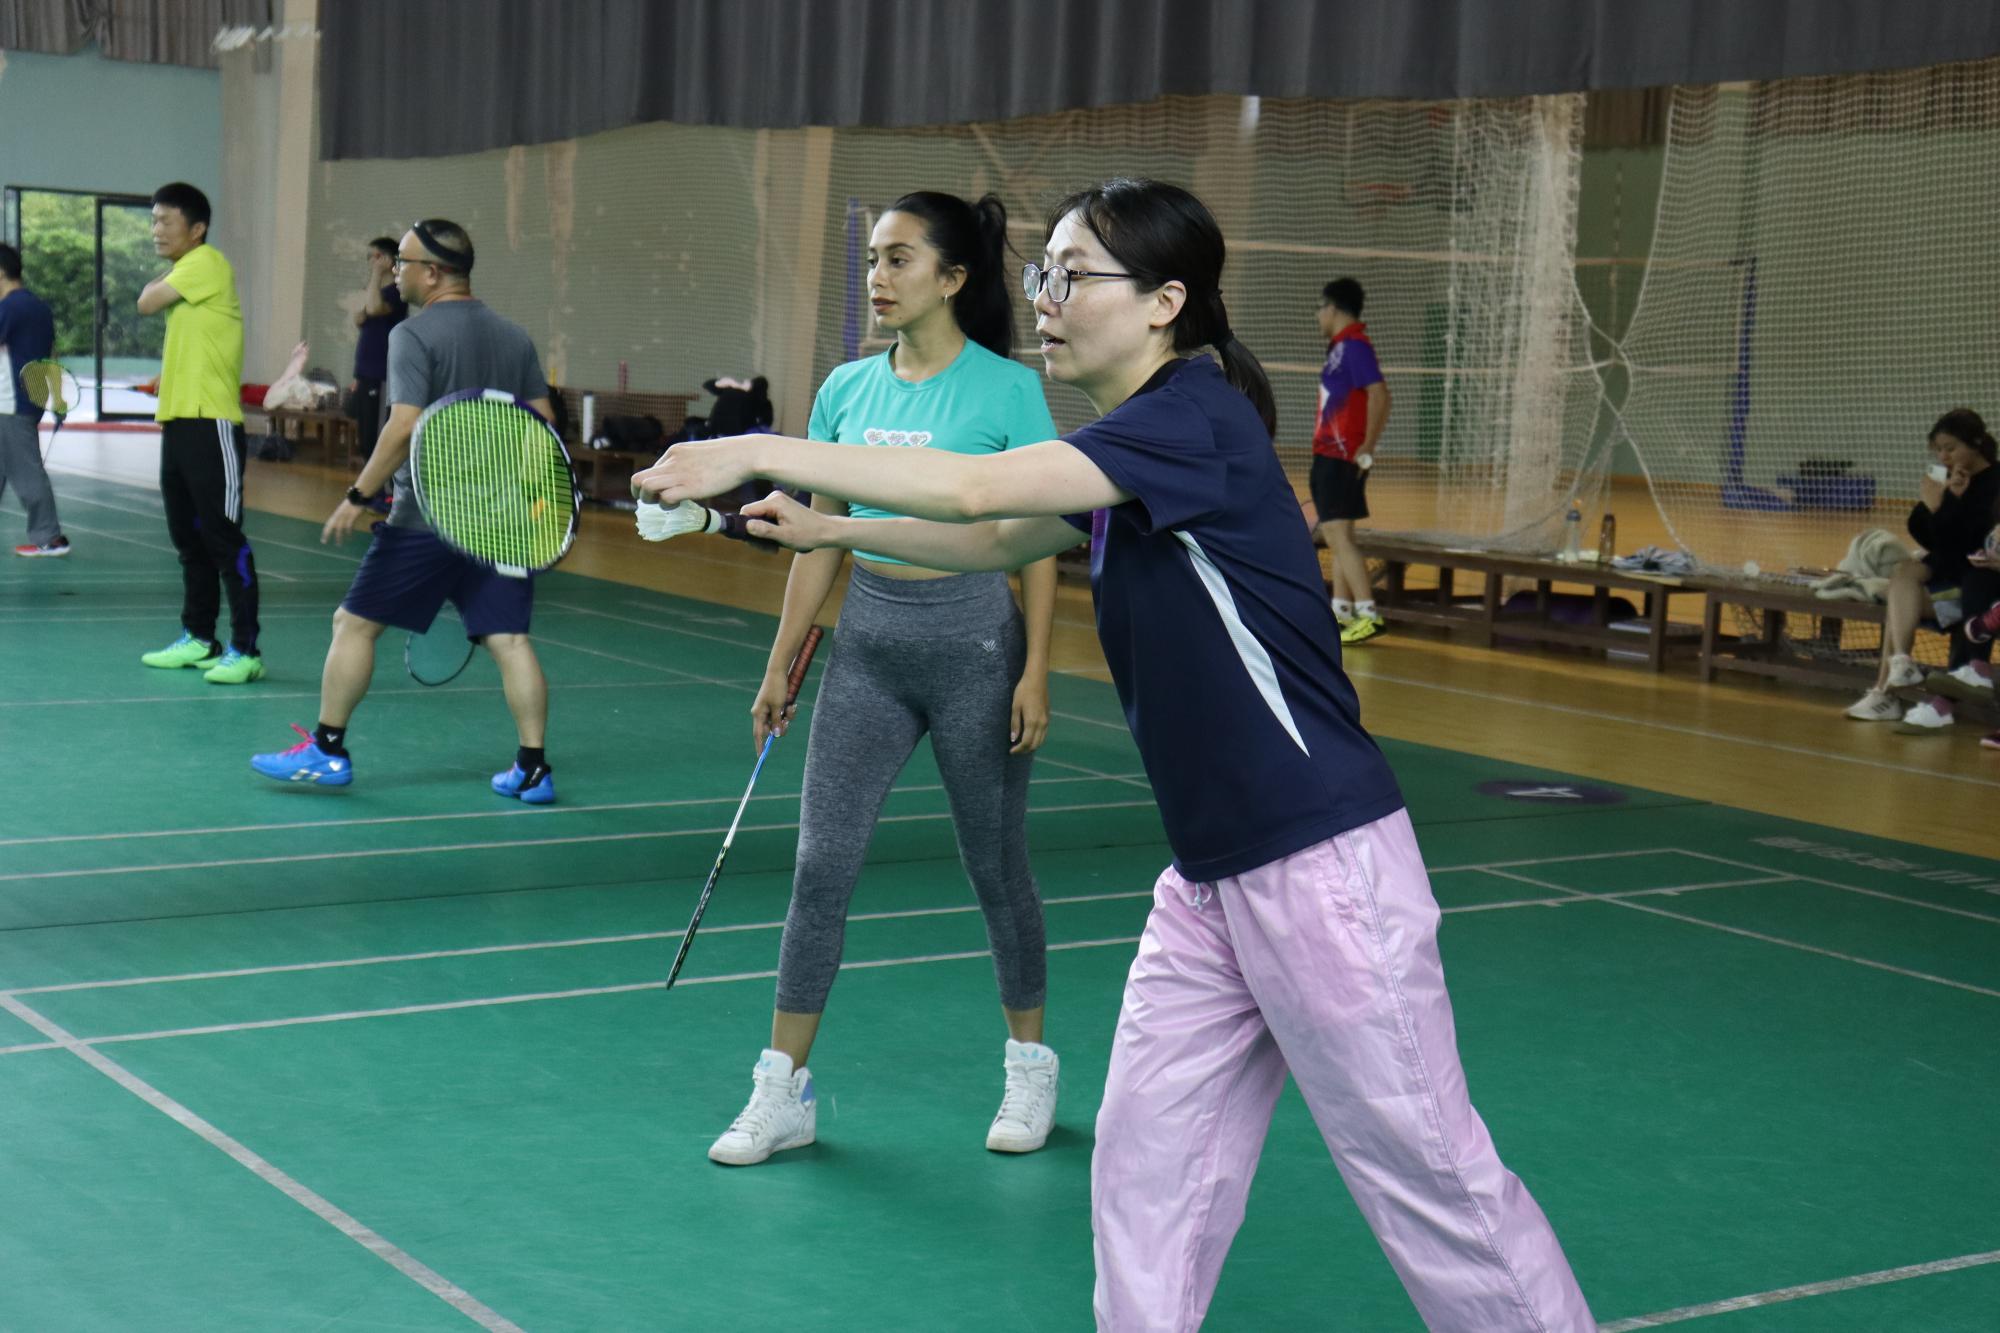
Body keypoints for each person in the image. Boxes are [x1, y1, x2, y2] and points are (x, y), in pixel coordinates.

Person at [636, 177, 1594, 1331]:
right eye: (1040, 272)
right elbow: (995, 537)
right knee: (1147, 1172)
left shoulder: (1191, 420)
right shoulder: (1133, 450)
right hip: (1206, 882)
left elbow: (976, 484)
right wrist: (828, 527)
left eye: (1072, 275)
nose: (1044, 298)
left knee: (1427, 1178)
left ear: (1162, 302)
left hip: (1318, 866)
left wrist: (751, 447)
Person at [698, 191, 1064, 1169]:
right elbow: (817, 536)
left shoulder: (1007, 392)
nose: (877, 277)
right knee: (820, 865)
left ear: (953, 277)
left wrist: (1035, 667)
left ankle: (1030, 1064)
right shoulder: (845, 389)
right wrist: (781, 663)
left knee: (995, 867)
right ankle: (783, 1089)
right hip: (868, 647)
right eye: (871, 258)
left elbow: (1036, 543)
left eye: (899, 258)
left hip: (975, 648)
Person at [249, 219, 560, 803]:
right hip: (500, 522)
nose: (396, 273)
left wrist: (357, 495)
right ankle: (533, 768)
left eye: (403, 263)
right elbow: (542, 425)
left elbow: (403, 424)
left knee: (354, 625)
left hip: (427, 518)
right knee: (510, 640)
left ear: (433, 273)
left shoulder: (412, 335)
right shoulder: (514, 336)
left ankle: (328, 750)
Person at [137, 182, 262, 683]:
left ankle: (246, 650)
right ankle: (198, 637)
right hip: (179, 421)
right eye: (153, 221)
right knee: (188, 539)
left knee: (223, 539)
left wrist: (166, 274)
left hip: (212, 423)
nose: (156, 230)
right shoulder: (188, 273)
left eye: (165, 221)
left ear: (197, 229)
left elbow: (146, 301)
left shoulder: (206, 263)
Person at [1845, 409, 2000, 726]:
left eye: (1950, 448)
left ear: (1975, 444)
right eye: (1938, 450)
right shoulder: (1952, 479)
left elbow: (1966, 542)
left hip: (1973, 585)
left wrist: (1944, 506)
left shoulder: (1995, 482)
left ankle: (1885, 692)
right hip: (1946, 574)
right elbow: (1921, 531)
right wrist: (1935, 504)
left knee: (1900, 603)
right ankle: (1901, 662)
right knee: (1903, 573)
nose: (1944, 457)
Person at [1310, 277, 1390, 644]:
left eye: (1320, 308)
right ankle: (1341, 612)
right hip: (1330, 454)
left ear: (1333, 308)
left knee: (1338, 534)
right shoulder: (1341, 348)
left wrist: (1367, 446)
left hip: (1342, 456)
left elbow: (1380, 394)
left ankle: (1368, 614)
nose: (1318, 316)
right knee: (1336, 534)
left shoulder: (1355, 347)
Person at [0, 243, 69, 558]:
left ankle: (50, 538)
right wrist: (57, 398)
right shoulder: (40, 307)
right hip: (29, 399)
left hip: (10, 403)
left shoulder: (10, 307)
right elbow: (52, 355)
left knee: (27, 474)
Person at [349, 236, 408, 470]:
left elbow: (373, 309)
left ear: (387, 259)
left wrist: (376, 274)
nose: (370, 262)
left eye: (373, 257)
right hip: (365, 374)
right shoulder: (378, 292)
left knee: (376, 436)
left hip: (380, 375)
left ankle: (380, 485)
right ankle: (369, 484)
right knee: (365, 436)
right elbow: (360, 316)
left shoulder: (397, 292)